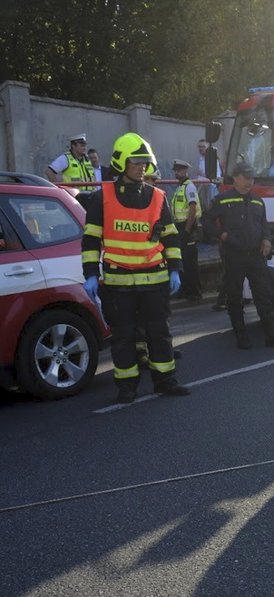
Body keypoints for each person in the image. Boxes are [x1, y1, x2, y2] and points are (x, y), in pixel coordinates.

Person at [80, 132, 189, 404]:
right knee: (123, 338)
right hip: (119, 284)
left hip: (155, 281)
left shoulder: (158, 197)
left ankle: (166, 381)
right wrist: (91, 274)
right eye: (136, 162)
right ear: (121, 163)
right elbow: (91, 239)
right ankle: (126, 387)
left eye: (145, 162)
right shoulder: (101, 198)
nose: (142, 167)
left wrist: (175, 268)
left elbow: (171, 236)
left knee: (159, 334)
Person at [202, 161, 274, 350]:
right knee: (234, 296)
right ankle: (241, 336)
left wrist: (267, 239)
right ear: (235, 178)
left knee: (264, 294)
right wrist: (222, 235)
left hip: (256, 255)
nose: (249, 181)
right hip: (234, 255)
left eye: (252, 178)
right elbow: (206, 221)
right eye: (245, 177)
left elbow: (264, 225)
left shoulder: (257, 200)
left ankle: (272, 335)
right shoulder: (222, 199)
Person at [171, 159, 202, 302]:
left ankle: (195, 293)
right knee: (183, 261)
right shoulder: (180, 187)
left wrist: (187, 230)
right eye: (176, 170)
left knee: (190, 263)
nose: (177, 172)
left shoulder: (189, 187)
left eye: (179, 170)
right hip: (180, 226)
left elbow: (192, 208)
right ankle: (186, 290)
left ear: (185, 171)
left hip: (187, 227)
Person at [46, 133, 96, 204]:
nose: (84, 148)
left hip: (90, 196)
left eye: (85, 145)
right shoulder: (65, 158)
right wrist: (59, 189)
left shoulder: (87, 159)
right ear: (73, 146)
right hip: (74, 196)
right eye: (81, 146)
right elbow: (49, 172)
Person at [195, 138, 222, 211]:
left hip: (210, 188)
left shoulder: (213, 159)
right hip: (201, 188)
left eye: (203, 146)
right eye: (199, 147)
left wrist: (203, 175)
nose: (201, 148)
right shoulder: (201, 159)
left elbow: (216, 177)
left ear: (207, 148)